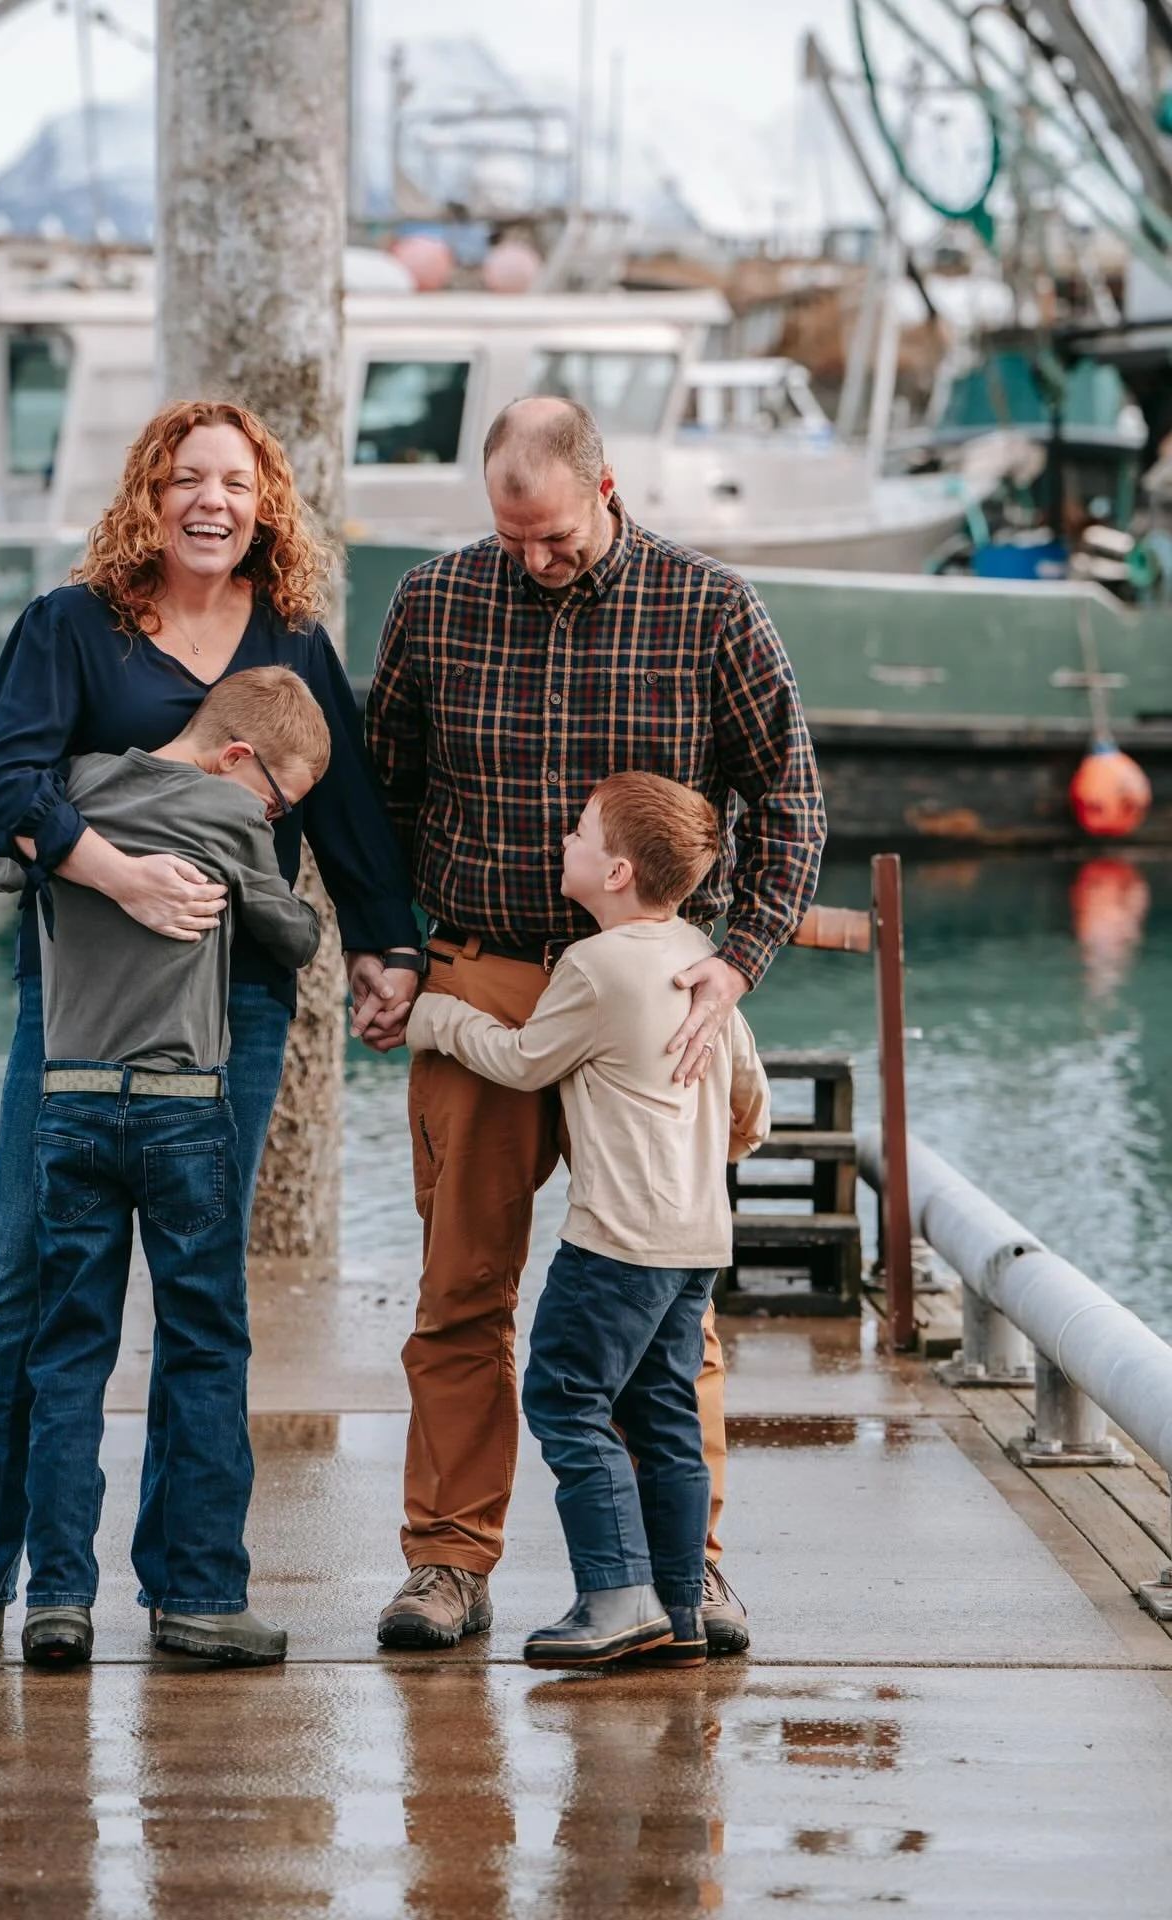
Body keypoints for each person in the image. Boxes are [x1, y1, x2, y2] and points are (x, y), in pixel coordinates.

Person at [0, 399, 421, 1653]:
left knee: (202, 1298)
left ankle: (194, 1587)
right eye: (188, 478)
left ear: (264, 504)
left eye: (236, 483)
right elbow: (4, 784)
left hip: (235, 1009)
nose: (212, 502)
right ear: (148, 493)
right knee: (27, 1275)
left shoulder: (291, 639)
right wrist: (117, 871)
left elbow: (342, 807)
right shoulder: (71, 629)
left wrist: (388, 947)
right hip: (78, 1000)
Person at [364, 395, 825, 1656]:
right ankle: (449, 1564)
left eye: (554, 535)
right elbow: (380, 792)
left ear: (606, 487)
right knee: (464, 1291)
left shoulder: (712, 609)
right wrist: (393, 954)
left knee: (669, 1303)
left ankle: (693, 1575)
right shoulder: (435, 603)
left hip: (662, 998)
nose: (533, 559)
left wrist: (736, 966)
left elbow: (790, 804)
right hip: (490, 975)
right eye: (511, 536)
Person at [0, 668, 327, 1669]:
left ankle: (58, 1601)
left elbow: (7, 869)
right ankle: (203, 1597)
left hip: (69, 1104)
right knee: (205, 1341)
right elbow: (293, 937)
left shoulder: (76, 787)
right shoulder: (227, 813)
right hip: (183, 1113)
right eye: (279, 799)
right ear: (234, 759)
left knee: (67, 1351)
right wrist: (253, 868)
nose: (273, 814)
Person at [407, 773, 770, 1667]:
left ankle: (614, 1598)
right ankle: (683, 1608)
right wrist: (707, 1152)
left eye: (575, 833)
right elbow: (750, 1104)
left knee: (566, 1400)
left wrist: (439, 1017)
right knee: (664, 1418)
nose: (560, 842)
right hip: (695, 1243)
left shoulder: (594, 967)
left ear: (613, 873)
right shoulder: (701, 961)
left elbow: (525, 1061)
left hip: (615, 1242)